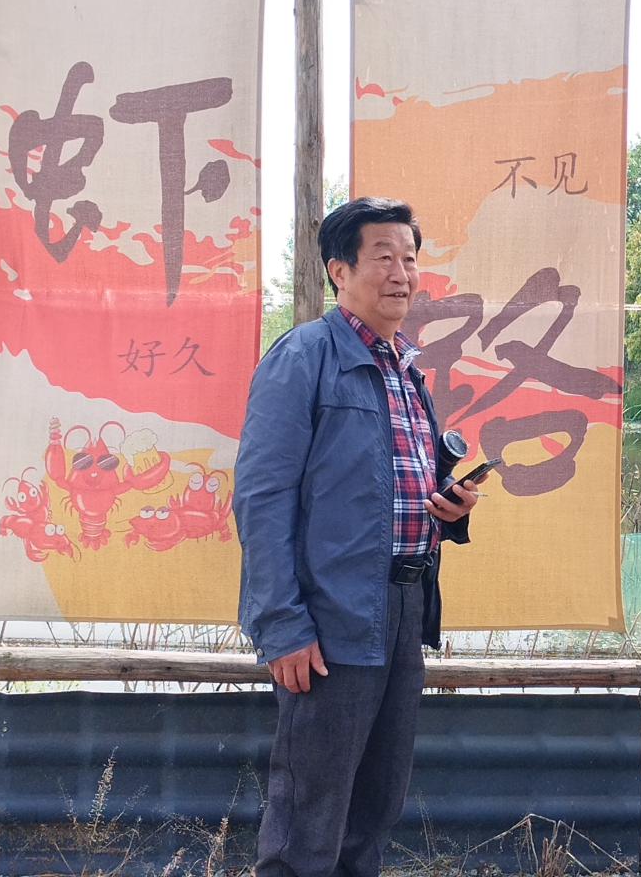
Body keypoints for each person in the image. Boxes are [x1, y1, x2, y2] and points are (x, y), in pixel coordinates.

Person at [234, 197, 479, 877]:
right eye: (383, 257)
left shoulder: (406, 369)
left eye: (410, 258)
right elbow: (261, 497)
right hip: (331, 617)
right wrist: (282, 624)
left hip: (403, 609)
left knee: (374, 808)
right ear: (339, 271)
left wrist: (452, 509)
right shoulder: (304, 357)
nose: (401, 273)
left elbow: (394, 488)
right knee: (309, 818)